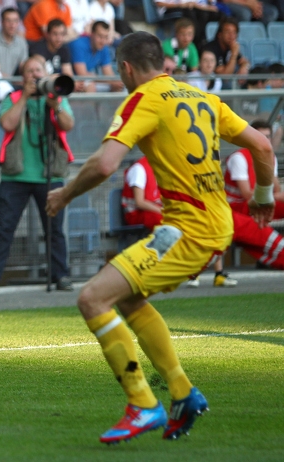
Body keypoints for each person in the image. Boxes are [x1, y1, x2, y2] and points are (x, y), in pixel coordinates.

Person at [45, 31, 274, 443]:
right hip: (206, 224)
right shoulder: (201, 98)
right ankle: (183, 393)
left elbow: (104, 165)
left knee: (92, 298)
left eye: (120, 72)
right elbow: (262, 146)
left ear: (127, 68)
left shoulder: (143, 99)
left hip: (190, 229)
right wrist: (262, 196)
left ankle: (142, 403)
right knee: (129, 298)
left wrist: (64, 194)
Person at [0, 57, 74, 291]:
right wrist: (25, 98)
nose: (34, 75)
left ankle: (60, 275)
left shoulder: (56, 97)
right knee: (5, 227)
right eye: (29, 71)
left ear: (46, 73)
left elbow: (68, 124)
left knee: (54, 230)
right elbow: (7, 124)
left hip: (48, 174)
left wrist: (55, 105)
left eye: (38, 70)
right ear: (23, 78)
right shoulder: (12, 98)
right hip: (16, 176)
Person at [123, 156, 238, 288]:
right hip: (139, 215)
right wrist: (167, 211)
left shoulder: (163, 164)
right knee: (185, 225)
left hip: (157, 211)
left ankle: (218, 273)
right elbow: (140, 202)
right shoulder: (139, 168)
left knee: (210, 222)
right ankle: (193, 271)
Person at [225, 120, 284, 218]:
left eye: (268, 136)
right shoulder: (239, 157)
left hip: (257, 201)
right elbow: (247, 194)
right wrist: (278, 197)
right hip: (236, 206)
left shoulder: (271, 157)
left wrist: (269, 165)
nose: (266, 140)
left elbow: (276, 188)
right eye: (262, 136)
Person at [69, 21, 124, 93]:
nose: (103, 41)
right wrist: (108, 80)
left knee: (117, 85)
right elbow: (82, 74)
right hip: (68, 80)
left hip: (82, 80)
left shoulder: (104, 48)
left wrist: (116, 83)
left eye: (106, 37)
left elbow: (109, 74)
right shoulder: (79, 45)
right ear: (92, 34)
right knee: (90, 85)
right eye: (100, 36)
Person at [202, 17, 250, 84]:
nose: (232, 36)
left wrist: (244, 68)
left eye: (234, 32)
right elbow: (225, 77)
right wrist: (234, 54)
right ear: (219, 34)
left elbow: (245, 61)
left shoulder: (231, 46)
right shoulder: (211, 50)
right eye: (228, 32)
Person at [0, 7, 29, 78]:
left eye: (15, 21)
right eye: (8, 20)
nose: (12, 25)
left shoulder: (21, 42)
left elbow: (24, 67)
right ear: (2, 22)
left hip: (11, 82)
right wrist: (14, 81)